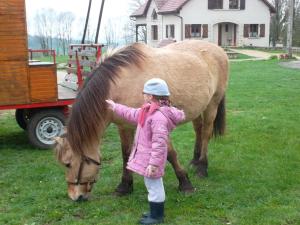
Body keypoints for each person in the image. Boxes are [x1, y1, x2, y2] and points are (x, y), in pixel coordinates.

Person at [106, 78, 185, 225]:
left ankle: (157, 216)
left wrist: (154, 164)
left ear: (151, 96)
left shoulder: (158, 117)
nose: (143, 95)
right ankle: (154, 212)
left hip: (152, 160)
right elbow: (131, 113)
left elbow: (160, 144)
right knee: (151, 186)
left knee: (154, 187)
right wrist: (115, 107)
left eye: (145, 93)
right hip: (147, 158)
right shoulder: (148, 111)